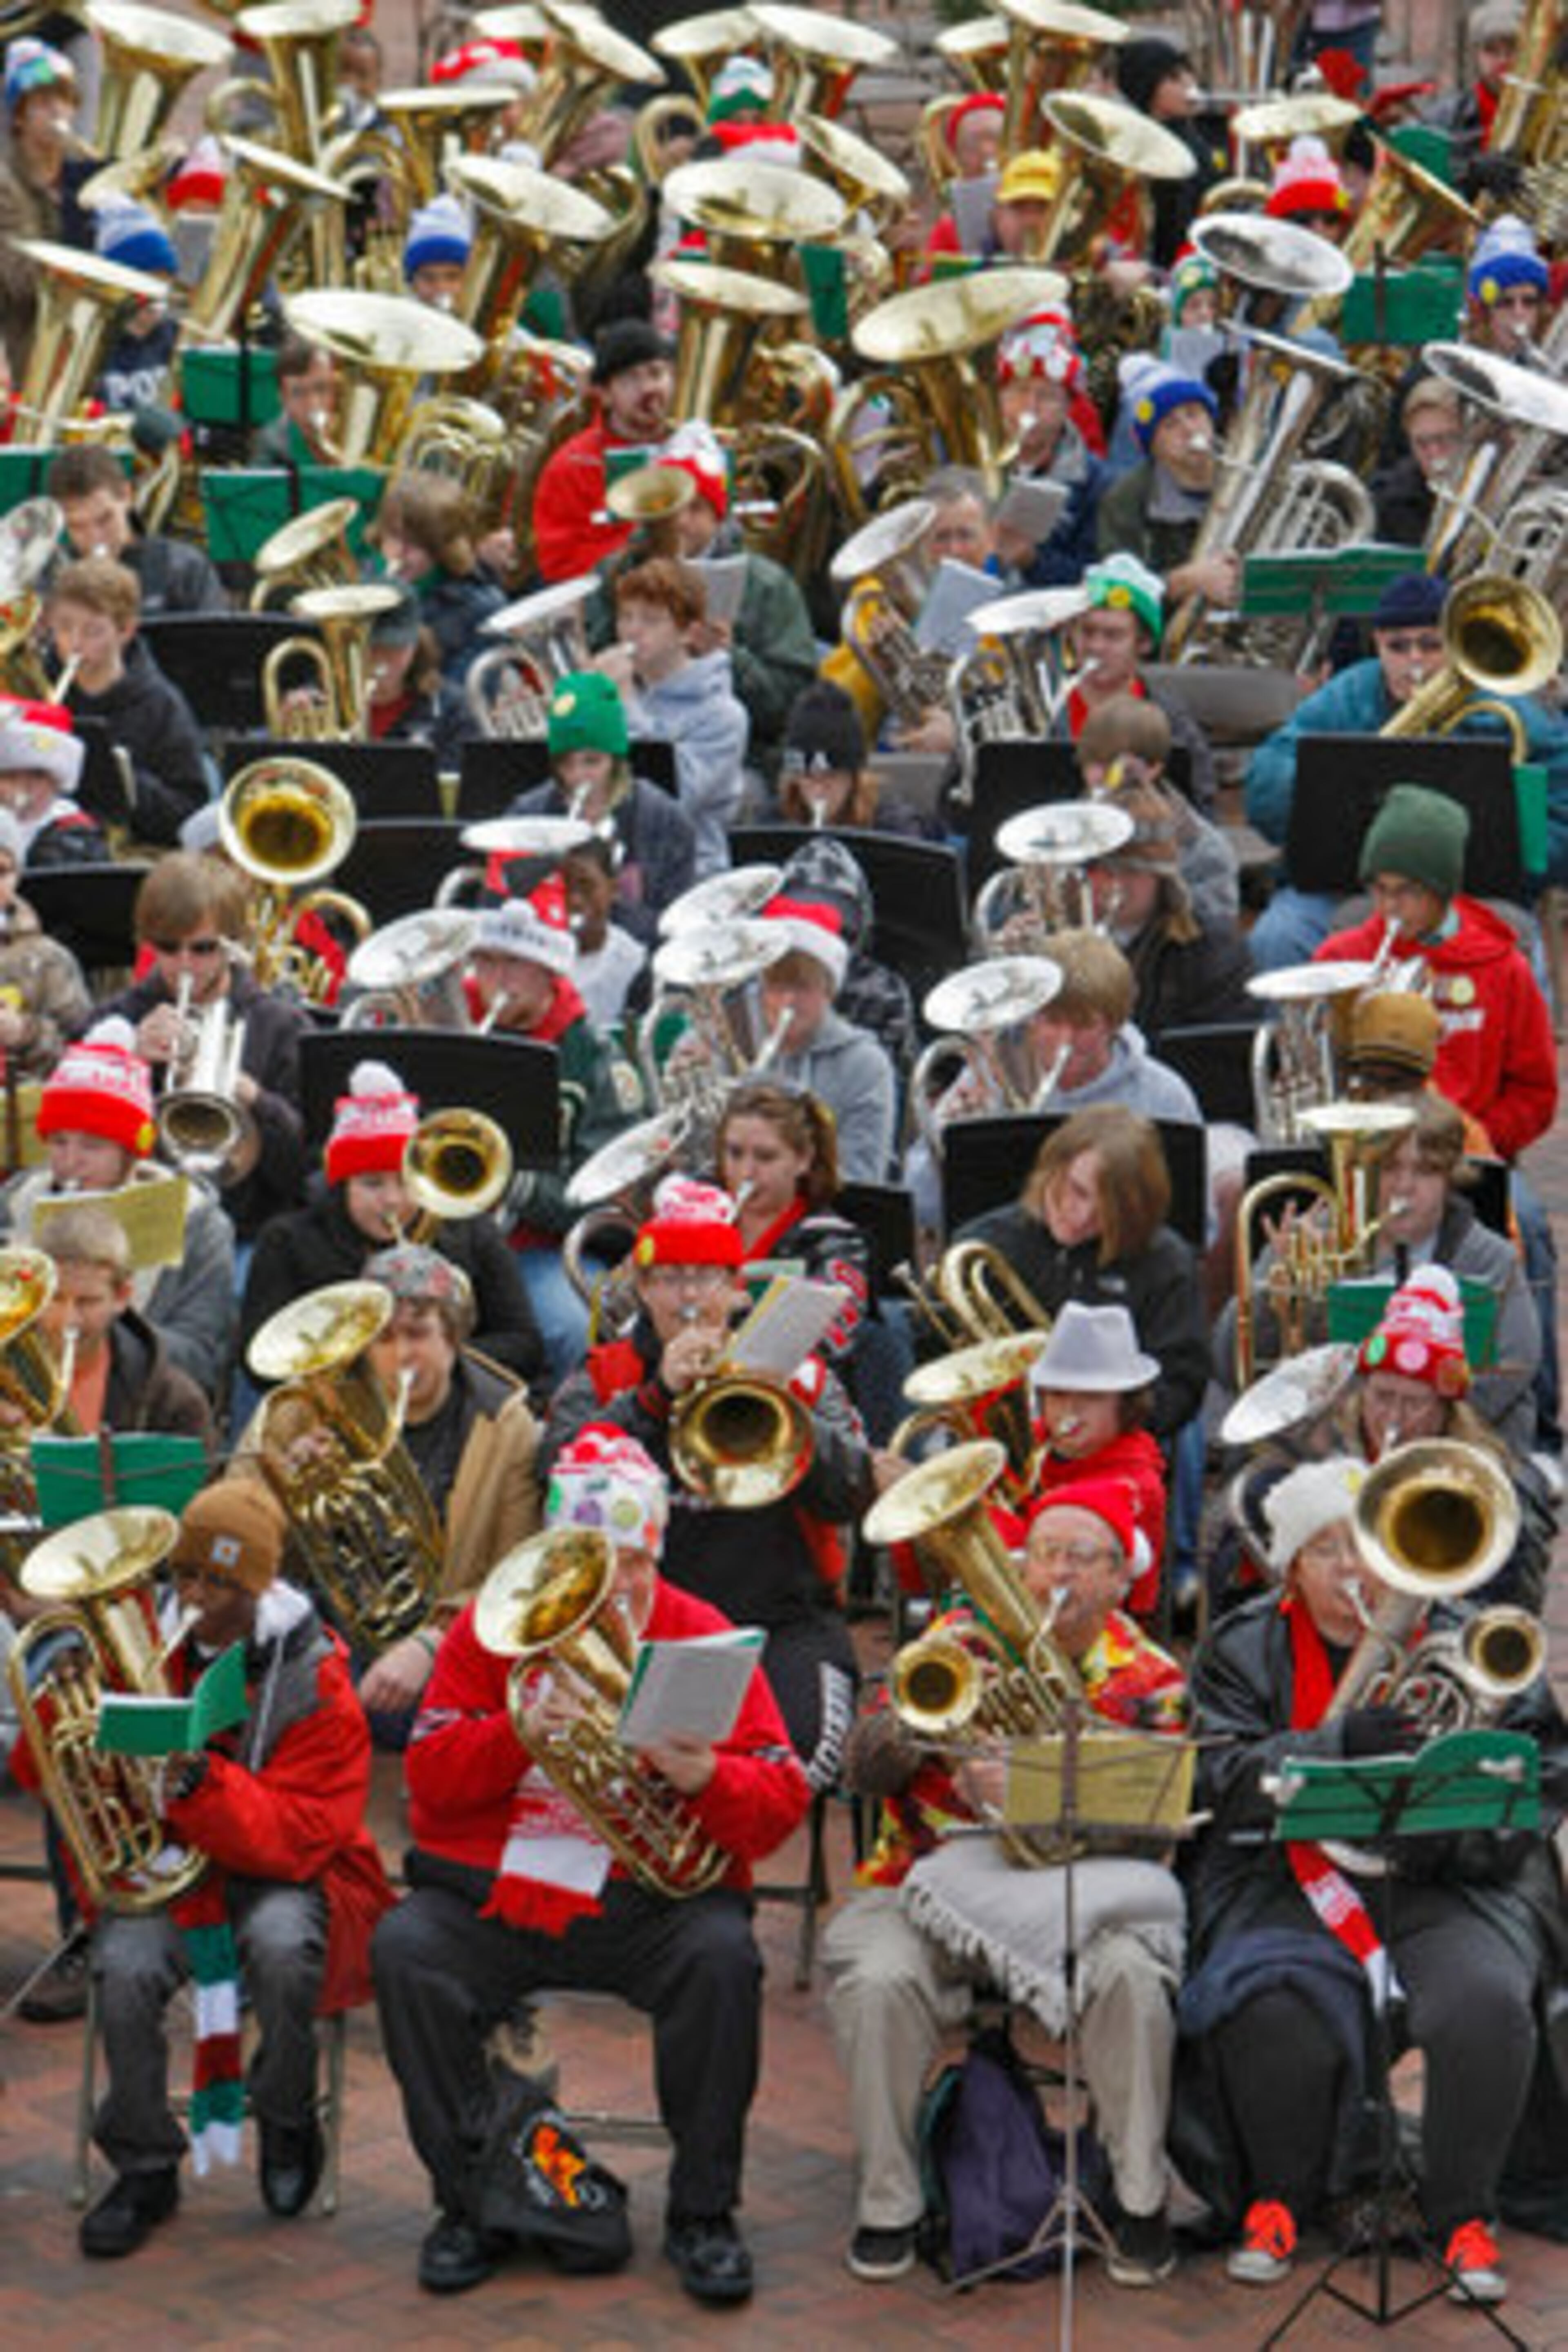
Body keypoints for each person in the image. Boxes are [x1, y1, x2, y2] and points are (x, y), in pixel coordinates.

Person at [372, 1425, 811, 2303]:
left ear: (657, 1556)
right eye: (589, 1565)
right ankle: (469, 2200)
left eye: (631, 1564)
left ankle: (703, 2213)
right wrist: (519, 1732)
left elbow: (779, 1803)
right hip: (502, 1894)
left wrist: (707, 1776)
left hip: (650, 1900)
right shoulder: (495, 1629)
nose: (611, 1588)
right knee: (407, 1950)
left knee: (723, 1962)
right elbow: (430, 1782)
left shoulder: (700, 1634)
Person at [1174, 1456, 1568, 2305]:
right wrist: (1331, 1746)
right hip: (1288, 1880)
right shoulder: (1241, 1646)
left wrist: (1454, 1822)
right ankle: (1276, 2202)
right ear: (1289, 1568)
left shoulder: (1472, 1637)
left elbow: (1542, 1777)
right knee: (1270, 2005)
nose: (1352, 1567)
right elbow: (1212, 1774)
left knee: (1487, 2003)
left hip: (1443, 1881)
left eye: (1363, 1544)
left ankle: (1464, 2215)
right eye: (1325, 1550)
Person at [823, 1479, 1189, 2287]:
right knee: (877, 1981)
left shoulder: (1152, 1679)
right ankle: (888, 2205)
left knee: (1134, 1980)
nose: (1057, 1572)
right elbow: (862, 1770)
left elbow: (1155, 1831)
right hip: (926, 1885)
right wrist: (919, 1732)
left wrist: (1035, 1792)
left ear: (1120, 1579)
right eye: (1043, 1553)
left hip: (1076, 1895)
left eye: (1080, 1557)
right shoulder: (957, 1641)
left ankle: (1139, 2200)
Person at [64, 1478, 393, 2258]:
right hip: (171, 1869)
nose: (194, 1597)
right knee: (122, 1967)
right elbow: (69, 1775)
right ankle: (144, 2163)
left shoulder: (318, 1682)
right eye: (184, 1575)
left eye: (218, 1582)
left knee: (284, 1951)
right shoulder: (144, 1643)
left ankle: (285, 2113)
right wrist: (71, 1706)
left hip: (280, 1873)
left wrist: (201, 1787)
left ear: (259, 1588)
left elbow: (303, 1834)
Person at [543, 1176, 873, 1789]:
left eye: (706, 1278)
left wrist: (785, 1410)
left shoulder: (803, 1375)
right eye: (670, 1279)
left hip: (781, 1625)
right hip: (641, 1628)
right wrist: (653, 1399)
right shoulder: (604, 1375)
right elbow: (556, 1478)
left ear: (735, 1287)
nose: (689, 1296)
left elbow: (855, 1494)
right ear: (643, 1288)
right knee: (613, 1773)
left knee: (796, 1773)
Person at [1246, 575, 1568, 965]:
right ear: (1377, 645)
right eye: (1398, 647)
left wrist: (1506, 858)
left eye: (1431, 645)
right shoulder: (1348, 695)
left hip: (1471, 892)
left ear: (1455, 646)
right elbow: (1265, 785)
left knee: (1512, 952)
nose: (1414, 660)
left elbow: (1561, 812)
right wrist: (1330, 787)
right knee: (1279, 937)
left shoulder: (1507, 710)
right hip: (1351, 885)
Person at [239, 1058, 542, 1386]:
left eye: (406, 1183)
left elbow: (525, 1344)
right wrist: (369, 1366)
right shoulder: (287, 1241)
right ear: (343, 1186)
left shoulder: (470, 1232)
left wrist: (438, 1356)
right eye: (372, 1184)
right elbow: (258, 1361)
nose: (392, 1200)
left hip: (454, 1399)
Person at [345, 1245, 539, 1736]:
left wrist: (432, 1643)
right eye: (383, 1338)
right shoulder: (321, 1405)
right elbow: (249, 1524)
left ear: (453, 1337)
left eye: (418, 1334)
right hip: (339, 1636)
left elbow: (516, 1577)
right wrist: (284, 1477)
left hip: (450, 1644)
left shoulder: (507, 1426)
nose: (400, 1355)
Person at [1315, 784, 1558, 1162]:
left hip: (1469, 1155)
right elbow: (1317, 1076)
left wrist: (1478, 1139)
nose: (1389, 906)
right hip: (1366, 1155)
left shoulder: (1504, 967)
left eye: (1407, 892)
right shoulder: (1341, 958)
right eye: (1379, 889)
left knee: (1524, 1206)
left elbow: (1536, 1092)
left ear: (1442, 891)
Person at [0, 1018, 236, 1391]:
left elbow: (201, 1357)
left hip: (140, 1402)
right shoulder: (16, 1203)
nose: (70, 1162)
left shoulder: (199, 1225)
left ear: (131, 1153)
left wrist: (99, 1327)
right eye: (59, 1142)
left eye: (92, 1146)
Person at [91, 852, 311, 1245]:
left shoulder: (282, 1025)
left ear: (234, 944)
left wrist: (255, 1099)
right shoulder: (115, 1019)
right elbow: (74, 1146)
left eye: (204, 948)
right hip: (131, 1232)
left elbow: (303, 1170)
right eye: (168, 947)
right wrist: (126, 1062)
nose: (185, 964)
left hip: (250, 1231)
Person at [956, 1106, 1209, 1447]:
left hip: (1118, 1448)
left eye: (1108, 1211)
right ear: (1051, 1167)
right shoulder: (985, 1245)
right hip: (1000, 1445)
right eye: (1076, 1190)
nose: (1082, 1216)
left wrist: (1113, 1416)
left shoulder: (1166, 1263)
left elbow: (1182, 1385)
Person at [464, 884, 637, 1378]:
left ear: (549, 971)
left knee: (572, 1326)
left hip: (539, 1250)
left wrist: (514, 1185)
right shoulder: (451, 1029)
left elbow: (608, 1197)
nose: (497, 979)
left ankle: (574, 1424)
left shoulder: (593, 1058)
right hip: (447, 1244)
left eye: (515, 964)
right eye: (486, 961)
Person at [646, 419, 817, 783]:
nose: (680, 522)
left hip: (743, 760)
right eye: (671, 507)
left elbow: (793, 706)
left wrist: (730, 658)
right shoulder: (621, 572)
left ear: (717, 517)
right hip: (640, 746)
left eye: (695, 509)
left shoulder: (769, 586)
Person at [504, 668, 697, 943]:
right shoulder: (527, 815)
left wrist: (604, 904)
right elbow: (503, 911)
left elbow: (675, 925)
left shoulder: (664, 820)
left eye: (592, 762)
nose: (578, 776)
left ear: (616, 761)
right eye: (566, 763)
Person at [599, 556, 748, 880]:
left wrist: (623, 703)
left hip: (691, 874)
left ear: (687, 634)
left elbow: (672, 795)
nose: (632, 631)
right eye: (626, 617)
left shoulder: (724, 716)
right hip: (613, 870)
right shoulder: (621, 695)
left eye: (651, 620)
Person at [47, 558, 209, 846]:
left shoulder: (161, 704)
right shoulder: (38, 687)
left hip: (134, 849)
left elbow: (190, 809)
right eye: (64, 627)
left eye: (92, 631)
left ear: (126, 631)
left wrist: (124, 779)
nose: (75, 643)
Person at [715, 1078, 870, 1376]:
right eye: (734, 1154)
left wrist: (728, 1316)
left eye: (765, 1157)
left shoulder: (834, 1243)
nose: (746, 1172)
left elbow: (825, 1344)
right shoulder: (700, 1220)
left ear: (803, 1160)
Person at [1085, 772, 1253, 1039]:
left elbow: (1220, 1052)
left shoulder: (1212, 951)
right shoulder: (1053, 937)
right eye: (1094, 868)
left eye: (1128, 871)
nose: (1108, 883)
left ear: (1161, 878)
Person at [1028, 1302, 1169, 1615]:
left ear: (1126, 1406)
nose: (1070, 1411)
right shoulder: (1032, 1447)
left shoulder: (1138, 1483)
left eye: (1091, 1397)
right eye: (1058, 1394)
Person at [1051, 554, 1218, 815]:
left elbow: (1202, 811)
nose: (1096, 646)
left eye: (1113, 636)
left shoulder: (1172, 721)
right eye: (1087, 632)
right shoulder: (1049, 712)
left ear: (1144, 643)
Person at [755, 895, 897, 1184]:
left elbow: (863, 1176)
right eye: (777, 986)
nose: (788, 1000)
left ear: (829, 992)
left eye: (803, 987)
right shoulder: (731, 1042)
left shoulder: (865, 1064)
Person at [531, 318, 675, 583]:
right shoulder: (572, 465)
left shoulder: (691, 447)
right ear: (605, 394)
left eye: (656, 374)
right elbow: (558, 564)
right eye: (631, 378)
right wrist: (635, 555)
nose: (648, 388)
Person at [1096, 369, 1238, 637]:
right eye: (1170, 425)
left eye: (1194, 414)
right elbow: (1116, 594)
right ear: (1154, 447)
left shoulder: (1246, 473)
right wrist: (1183, 582)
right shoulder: (1125, 501)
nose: (1189, 430)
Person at [45, 444, 227, 621]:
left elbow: (217, 638)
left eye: (105, 520)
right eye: (77, 527)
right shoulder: (51, 581)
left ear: (127, 495)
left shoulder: (184, 569)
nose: (95, 538)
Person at [374, 470, 506, 686]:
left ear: (443, 549)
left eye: (413, 544)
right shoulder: (366, 582)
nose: (397, 553)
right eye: (393, 536)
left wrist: (415, 658)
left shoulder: (483, 609)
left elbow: (466, 700)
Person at [0, 799, 89, 1068]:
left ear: (17, 876)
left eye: (2, 872)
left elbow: (82, 1050)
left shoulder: (48, 960)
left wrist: (25, 1033)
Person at [0, 694, 103, 867]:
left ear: (57, 784)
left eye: (38, 776)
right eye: (8, 775)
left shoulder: (70, 834)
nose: (22, 787)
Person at [250, 337, 341, 469]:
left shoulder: (355, 435)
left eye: (321, 389)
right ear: (282, 398)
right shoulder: (271, 443)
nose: (313, 405)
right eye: (298, 393)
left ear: (336, 388)